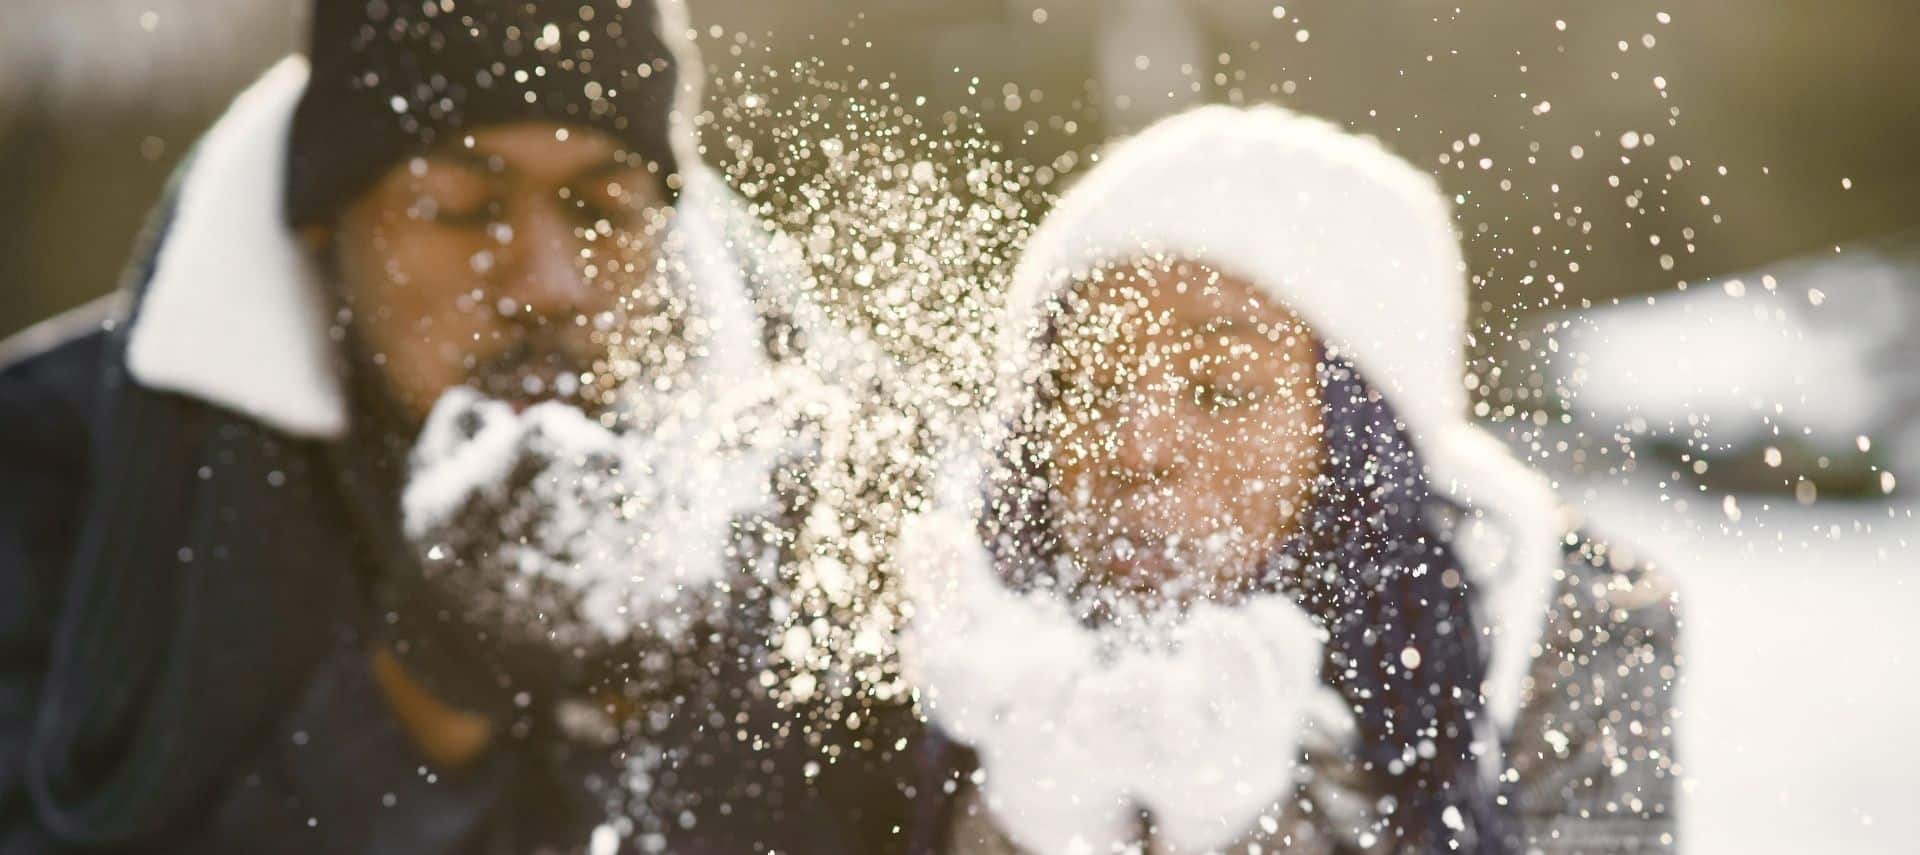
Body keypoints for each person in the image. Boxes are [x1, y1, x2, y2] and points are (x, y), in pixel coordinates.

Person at [0, 2, 912, 852]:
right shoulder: (53, 463)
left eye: (603, 210)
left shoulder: (825, 462)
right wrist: (424, 691)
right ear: (321, 223)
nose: (551, 281)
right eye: (462, 207)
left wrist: (646, 712)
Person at [898, 105, 1683, 853]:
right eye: (1087, 387)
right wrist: (1027, 827)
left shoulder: (1556, 626)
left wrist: (1234, 829)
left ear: (1367, 435)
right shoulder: (940, 619)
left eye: (1223, 390)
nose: (1136, 449)